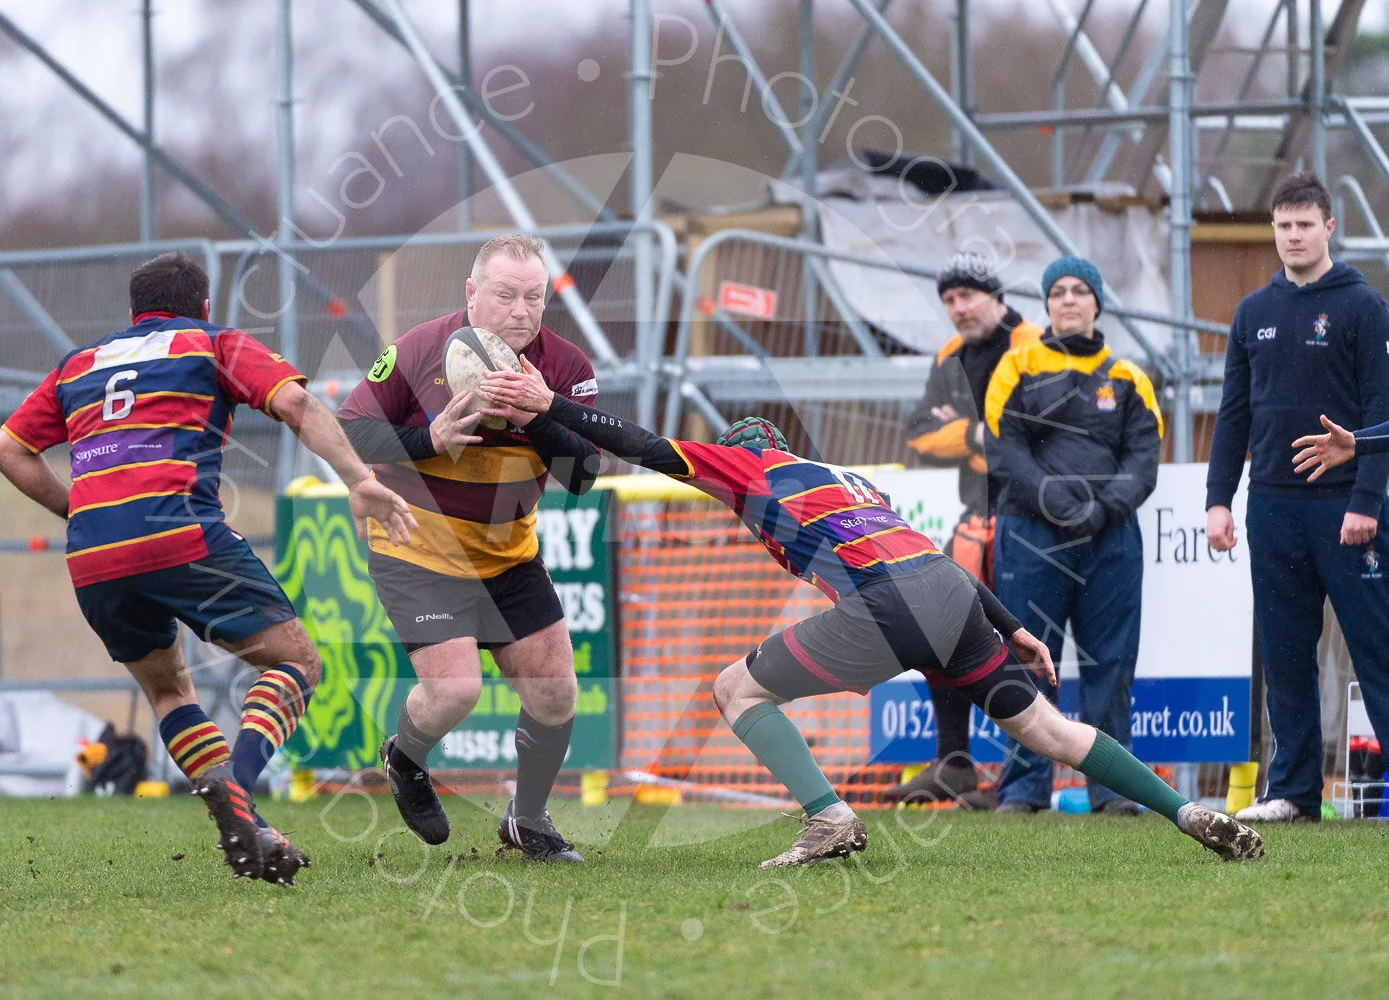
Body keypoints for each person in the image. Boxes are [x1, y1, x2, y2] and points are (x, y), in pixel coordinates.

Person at [478, 370, 1262, 867]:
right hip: (949, 594)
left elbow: (644, 446)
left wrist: (550, 405)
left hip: (891, 605)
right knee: (1052, 733)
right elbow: (937, 560)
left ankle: (829, 819)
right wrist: (1014, 624)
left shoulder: (752, 467)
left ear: (747, 453)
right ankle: (1187, 812)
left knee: (735, 690)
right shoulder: (847, 479)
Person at [0, 251, 417, 885]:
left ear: (133, 313)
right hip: (180, 531)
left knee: (166, 690)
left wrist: (81, 510)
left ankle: (247, 829)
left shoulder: (78, 364)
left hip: (94, 554)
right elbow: (298, 406)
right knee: (296, 662)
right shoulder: (213, 342)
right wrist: (358, 479)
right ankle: (239, 792)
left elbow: (6, 449)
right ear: (205, 306)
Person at [336, 233, 600, 861]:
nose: (520, 310)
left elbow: (584, 476)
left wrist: (539, 415)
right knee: (455, 692)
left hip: (507, 556)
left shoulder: (566, 368)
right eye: (505, 295)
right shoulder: (418, 349)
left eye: (533, 297)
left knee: (556, 693)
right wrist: (427, 439)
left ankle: (527, 820)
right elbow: (350, 430)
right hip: (417, 549)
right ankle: (404, 758)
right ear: (471, 293)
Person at [1207, 171, 1389, 824]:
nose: (1292, 236)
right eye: (1282, 226)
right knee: (1285, 654)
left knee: (1377, 649)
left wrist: (1366, 501)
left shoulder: (1363, 305)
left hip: (1347, 505)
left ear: (1329, 228)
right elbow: (1233, 414)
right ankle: (1293, 792)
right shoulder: (1253, 312)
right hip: (1273, 507)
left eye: (1304, 224)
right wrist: (1219, 500)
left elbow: (1379, 406)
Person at [983, 255, 1163, 815]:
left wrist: (1103, 507)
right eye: (1057, 291)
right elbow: (1003, 448)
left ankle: (1114, 792)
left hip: (1109, 538)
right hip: (1032, 533)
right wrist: (1059, 502)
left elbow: (1144, 456)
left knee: (1110, 662)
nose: (1068, 299)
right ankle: (1022, 790)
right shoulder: (1015, 367)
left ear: (1097, 303)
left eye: (1079, 290)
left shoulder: (1129, 377)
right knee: (1030, 659)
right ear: (1046, 304)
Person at [888, 251, 1042, 807]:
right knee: (937, 627)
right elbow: (917, 434)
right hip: (972, 518)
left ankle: (1021, 781)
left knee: (1020, 639)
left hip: (1030, 518)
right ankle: (955, 761)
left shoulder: (1035, 345)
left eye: (966, 296)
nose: (957, 308)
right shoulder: (950, 355)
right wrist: (977, 437)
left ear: (997, 296)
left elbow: (1022, 437)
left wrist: (973, 433)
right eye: (949, 300)